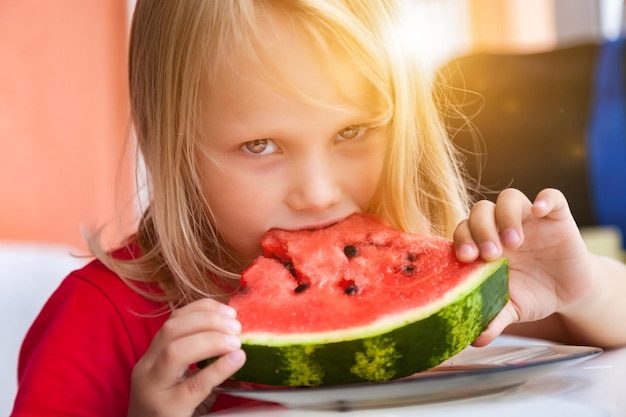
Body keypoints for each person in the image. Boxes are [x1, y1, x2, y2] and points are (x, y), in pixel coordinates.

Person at [10, 1, 626, 416]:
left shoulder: (428, 261)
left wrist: (578, 287)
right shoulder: (104, 316)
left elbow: (611, 325)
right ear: (171, 144)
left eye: (353, 132)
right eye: (261, 145)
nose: (319, 190)